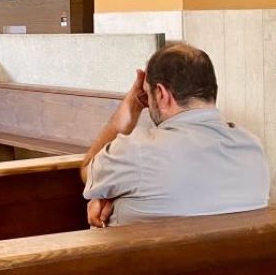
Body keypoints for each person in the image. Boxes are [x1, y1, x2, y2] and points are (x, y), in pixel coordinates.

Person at [81, 43, 269, 228]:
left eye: (147, 93)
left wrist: (132, 104)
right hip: (235, 258)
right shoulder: (253, 148)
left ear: (162, 93)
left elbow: (88, 169)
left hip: (147, 259)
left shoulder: (136, 150)